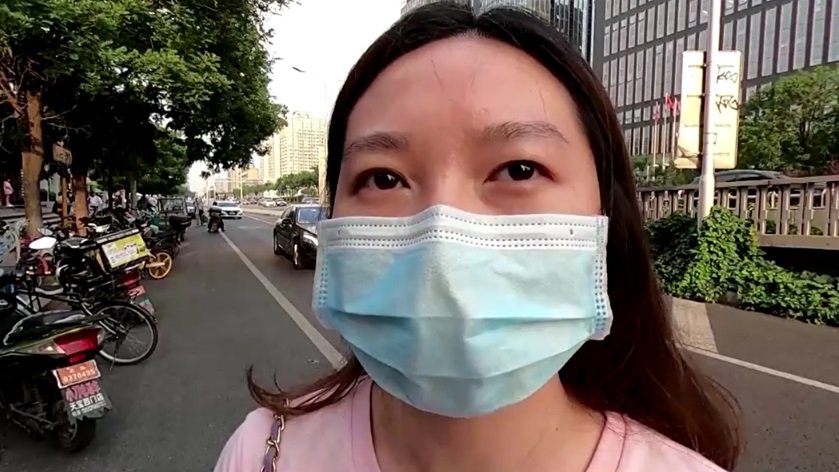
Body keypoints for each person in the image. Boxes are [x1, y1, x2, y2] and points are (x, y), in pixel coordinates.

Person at [215, 4, 741, 472]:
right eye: (384, 178)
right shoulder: (262, 453)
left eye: (518, 170)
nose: (441, 241)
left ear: (605, 212)